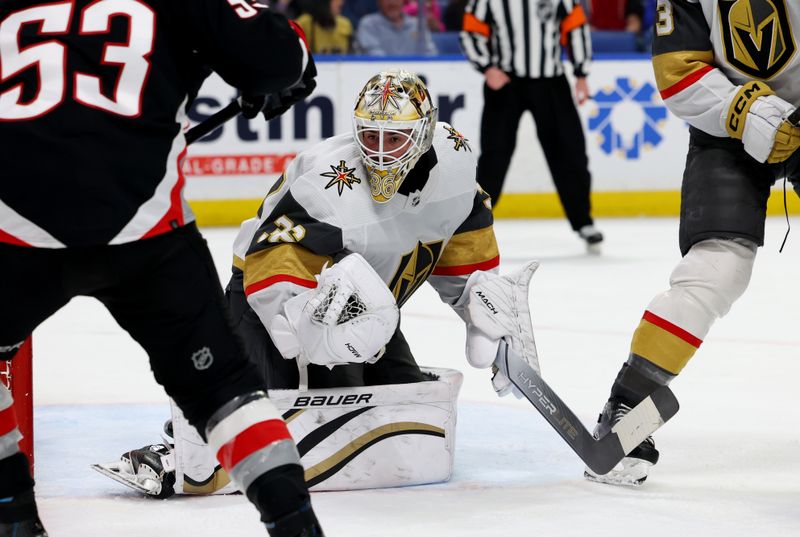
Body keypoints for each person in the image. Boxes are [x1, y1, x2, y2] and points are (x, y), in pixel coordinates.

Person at [96, 69, 541, 498]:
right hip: (271, 299)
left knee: (403, 408)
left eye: (395, 138)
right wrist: (309, 332)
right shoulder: (328, 184)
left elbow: (462, 228)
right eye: (370, 136)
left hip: (370, 310)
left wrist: (477, 304)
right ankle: (181, 449)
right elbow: (270, 262)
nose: (381, 153)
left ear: (423, 135)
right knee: (270, 416)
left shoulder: (456, 162)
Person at [0, 1, 322, 536]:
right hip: (145, 236)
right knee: (223, 390)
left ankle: (13, 518)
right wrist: (285, 65)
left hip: (13, 234)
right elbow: (279, 59)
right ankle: (296, 525)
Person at [585, 0, 800, 486]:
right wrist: (744, 113)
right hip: (727, 130)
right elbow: (676, 69)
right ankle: (628, 407)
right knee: (715, 271)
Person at [460, 0, 604, 252]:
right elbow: (471, 30)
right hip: (505, 82)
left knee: (570, 153)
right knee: (495, 155)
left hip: (551, 82)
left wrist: (582, 74)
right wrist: (487, 67)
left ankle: (583, 221)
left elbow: (576, 28)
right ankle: (472, 224)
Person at [356, 0, 438, 55]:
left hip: (414, 77)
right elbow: (373, 55)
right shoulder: (368, 24)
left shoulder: (417, 24)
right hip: (382, 77)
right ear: (379, 2)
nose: (392, 2)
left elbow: (430, 53)